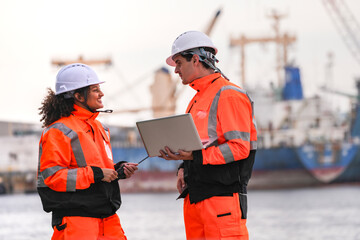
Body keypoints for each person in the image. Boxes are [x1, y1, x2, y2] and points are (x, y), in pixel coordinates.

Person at [159, 31, 257, 240]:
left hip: (223, 202)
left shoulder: (228, 94)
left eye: (178, 62)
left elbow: (240, 148)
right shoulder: (197, 99)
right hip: (196, 199)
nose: (175, 70)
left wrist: (193, 158)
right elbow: (198, 144)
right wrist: (182, 168)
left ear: (195, 60)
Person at [37, 63, 138, 240]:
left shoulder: (101, 128)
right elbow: (52, 177)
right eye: (95, 89)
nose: (102, 94)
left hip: (108, 219)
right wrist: (97, 174)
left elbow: (98, 169)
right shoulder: (58, 130)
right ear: (78, 96)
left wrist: (118, 170)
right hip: (77, 222)